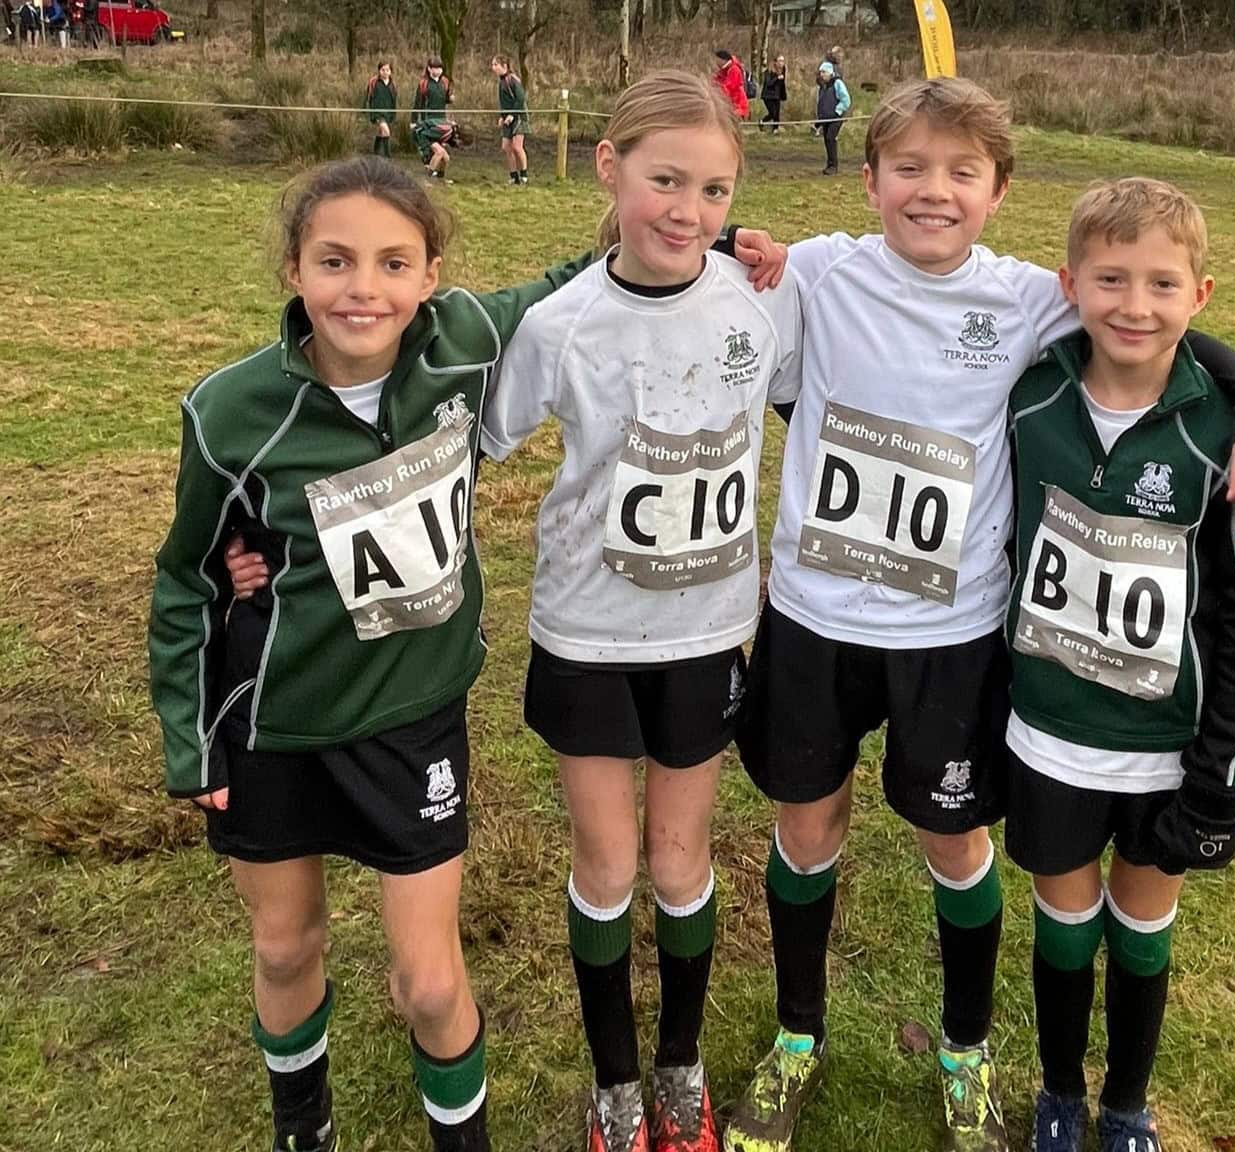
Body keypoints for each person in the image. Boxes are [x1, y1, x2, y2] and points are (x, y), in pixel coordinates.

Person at [721, 78, 1235, 1152]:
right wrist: (739, 246)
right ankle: (798, 1038)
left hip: (951, 635)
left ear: (998, 192)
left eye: (961, 174)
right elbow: (697, 290)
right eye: (910, 168)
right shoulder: (813, 274)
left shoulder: (1033, 297)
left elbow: (1161, 324)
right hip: (814, 615)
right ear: (870, 178)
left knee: (957, 840)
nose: (932, 192)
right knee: (806, 830)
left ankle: (966, 1049)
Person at [147, 155, 605, 1152]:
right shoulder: (229, 414)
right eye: (336, 261)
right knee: (284, 948)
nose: (365, 289)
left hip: (411, 717)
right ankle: (301, 1127)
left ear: (431, 274)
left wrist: (680, 218)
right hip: (278, 724)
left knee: (431, 979)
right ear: (293, 269)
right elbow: (186, 576)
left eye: (395, 263)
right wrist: (193, 747)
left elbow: (570, 280)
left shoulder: (463, 341)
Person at [475, 69, 800, 1152]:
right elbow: (470, 444)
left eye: (714, 191)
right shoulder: (562, 325)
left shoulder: (757, 305)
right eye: (666, 180)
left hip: (705, 635)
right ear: (610, 169)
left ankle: (681, 1064)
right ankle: (616, 1081)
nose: (689, 212)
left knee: (679, 861)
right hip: (587, 633)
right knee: (609, 867)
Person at [1006, 177, 1235, 1152]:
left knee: (1138, 928)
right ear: (1069, 284)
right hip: (1049, 733)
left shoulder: (1231, 444)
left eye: (1162, 284)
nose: (1134, 305)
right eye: (1111, 279)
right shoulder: (1031, 394)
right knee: (1061, 920)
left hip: (1164, 751)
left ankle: (1125, 1103)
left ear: (1200, 297)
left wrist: (1220, 785)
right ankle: (1057, 1093)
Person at [412, 56, 455, 181]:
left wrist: (450, 99)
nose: (437, 71)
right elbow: (417, 104)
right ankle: (428, 179)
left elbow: (446, 98)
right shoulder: (423, 83)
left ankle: (440, 179)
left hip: (441, 124)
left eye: (439, 68)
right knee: (439, 152)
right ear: (429, 69)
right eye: (434, 68)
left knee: (445, 158)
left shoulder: (445, 82)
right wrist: (413, 122)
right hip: (427, 125)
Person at [491, 54, 529, 186]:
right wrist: (502, 117)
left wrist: (512, 114)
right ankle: (514, 176)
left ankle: (524, 175)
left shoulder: (513, 80)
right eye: (493, 65)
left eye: (496, 65)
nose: (493, 68)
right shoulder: (501, 82)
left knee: (517, 147)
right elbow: (504, 102)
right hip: (507, 119)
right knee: (506, 147)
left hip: (519, 117)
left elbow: (520, 99)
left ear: (504, 66)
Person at [811, 61, 849, 175]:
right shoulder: (822, 87)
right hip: (826, 118)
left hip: (836, 117)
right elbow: (821, 104)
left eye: (823, 72)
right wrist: (819, 120)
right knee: (826, 140)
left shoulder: (838, 84)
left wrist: (837, 112)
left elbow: (846, 100)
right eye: (820, 72)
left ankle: (833, 165)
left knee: (830, 138)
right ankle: (829, 164)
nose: (821, 74)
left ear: (830, 73)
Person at [364, 61, 397, 158]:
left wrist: (393, 114)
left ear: (390, 71)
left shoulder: (393, 84)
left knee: (380, 132)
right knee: (386, 131)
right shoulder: (374, 82)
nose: (385, 72)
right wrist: (365, 109)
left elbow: (394, 100)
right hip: (377, 112)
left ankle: (375, 153)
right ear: (379, 71)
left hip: (388, 112)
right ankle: (387, 156)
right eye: (383, 70)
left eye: (387, 70)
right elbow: (367, 96)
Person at [712, 49, 749, 120]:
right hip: (729, 104)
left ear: (723, 60)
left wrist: (716, 91)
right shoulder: (723, 71)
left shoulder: (734, 70)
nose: (716, 62)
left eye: (718, 60)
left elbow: (729, 87)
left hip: (737, 104)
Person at [760, 55, 787, 133]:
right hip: (768, 95)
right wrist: (777, 78)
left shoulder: (783, 70)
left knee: (777, 113)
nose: (782, 63)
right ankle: (762, 121)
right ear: (775, 62)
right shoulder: (769, 71)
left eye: (783, 61)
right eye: (780, 61)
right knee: (772, 113)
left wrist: (783, 95)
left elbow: (782, 84)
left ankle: (775, 129)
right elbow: (768, 83)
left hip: (777, 95)